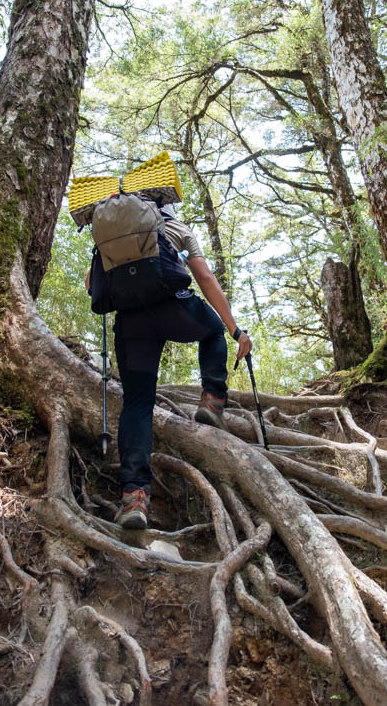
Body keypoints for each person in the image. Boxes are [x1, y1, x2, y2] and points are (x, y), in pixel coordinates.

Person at [86, 201, 252, 530]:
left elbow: (92, 286)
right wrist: (236, 329)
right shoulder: (177, 229)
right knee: (214, 329)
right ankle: (213, 400)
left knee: (137, 404)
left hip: (132, 325)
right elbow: (204, 276)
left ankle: (134, 498)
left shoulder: (109, 235)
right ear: (167, 205)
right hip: (174, 309)